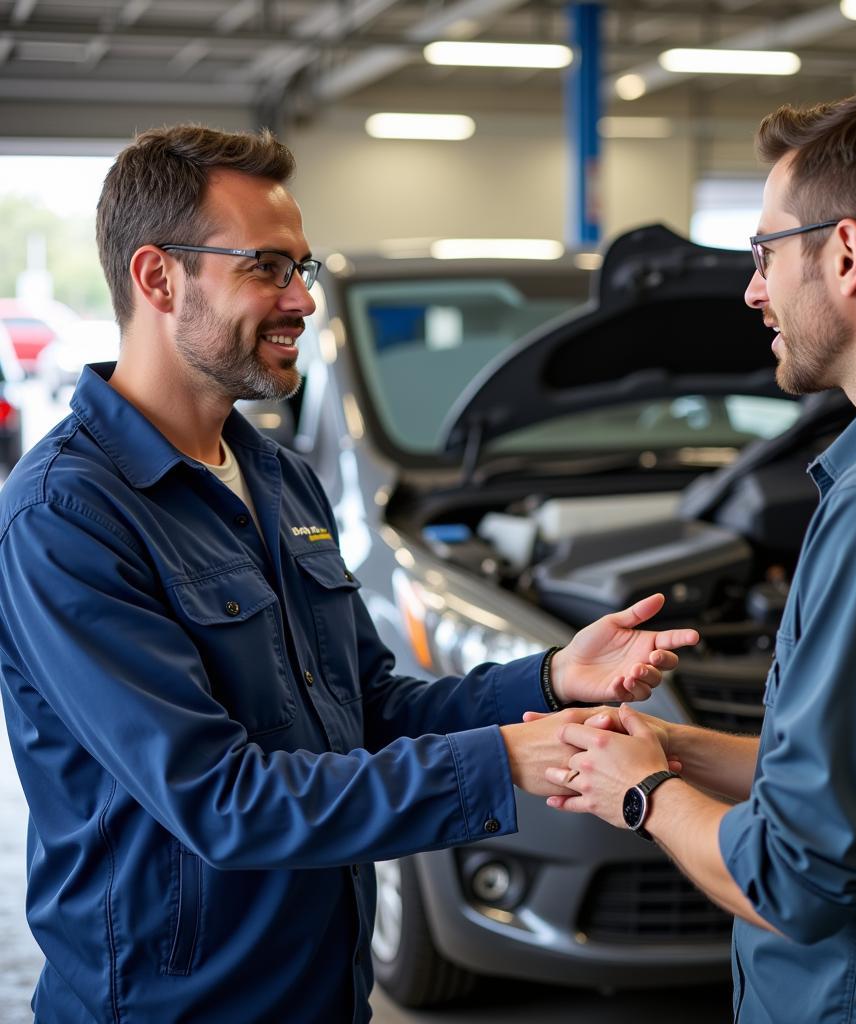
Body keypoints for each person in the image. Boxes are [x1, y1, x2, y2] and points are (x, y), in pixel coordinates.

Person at [0, 125, 699, 1024]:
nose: (301, 299)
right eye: (266, 268)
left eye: (304, 269)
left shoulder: (280, 479)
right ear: (157, 277)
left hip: (325, 990)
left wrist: (548, 678)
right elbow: (221, 800)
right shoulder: (69, 514)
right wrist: (500, 762)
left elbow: (364, 710)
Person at [536, 88, 856, 1022]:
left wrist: (641, 792)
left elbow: (795, 880)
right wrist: (675, 748)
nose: (753, 288)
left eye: (764, 253)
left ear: (845, 254)